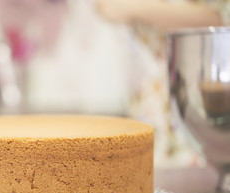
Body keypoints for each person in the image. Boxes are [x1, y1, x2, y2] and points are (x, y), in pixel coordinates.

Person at [95, 0, 230, 168]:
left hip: (192, 105)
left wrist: (135, 6)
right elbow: (107, 7)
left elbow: (221, 16)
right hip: (146, 105)